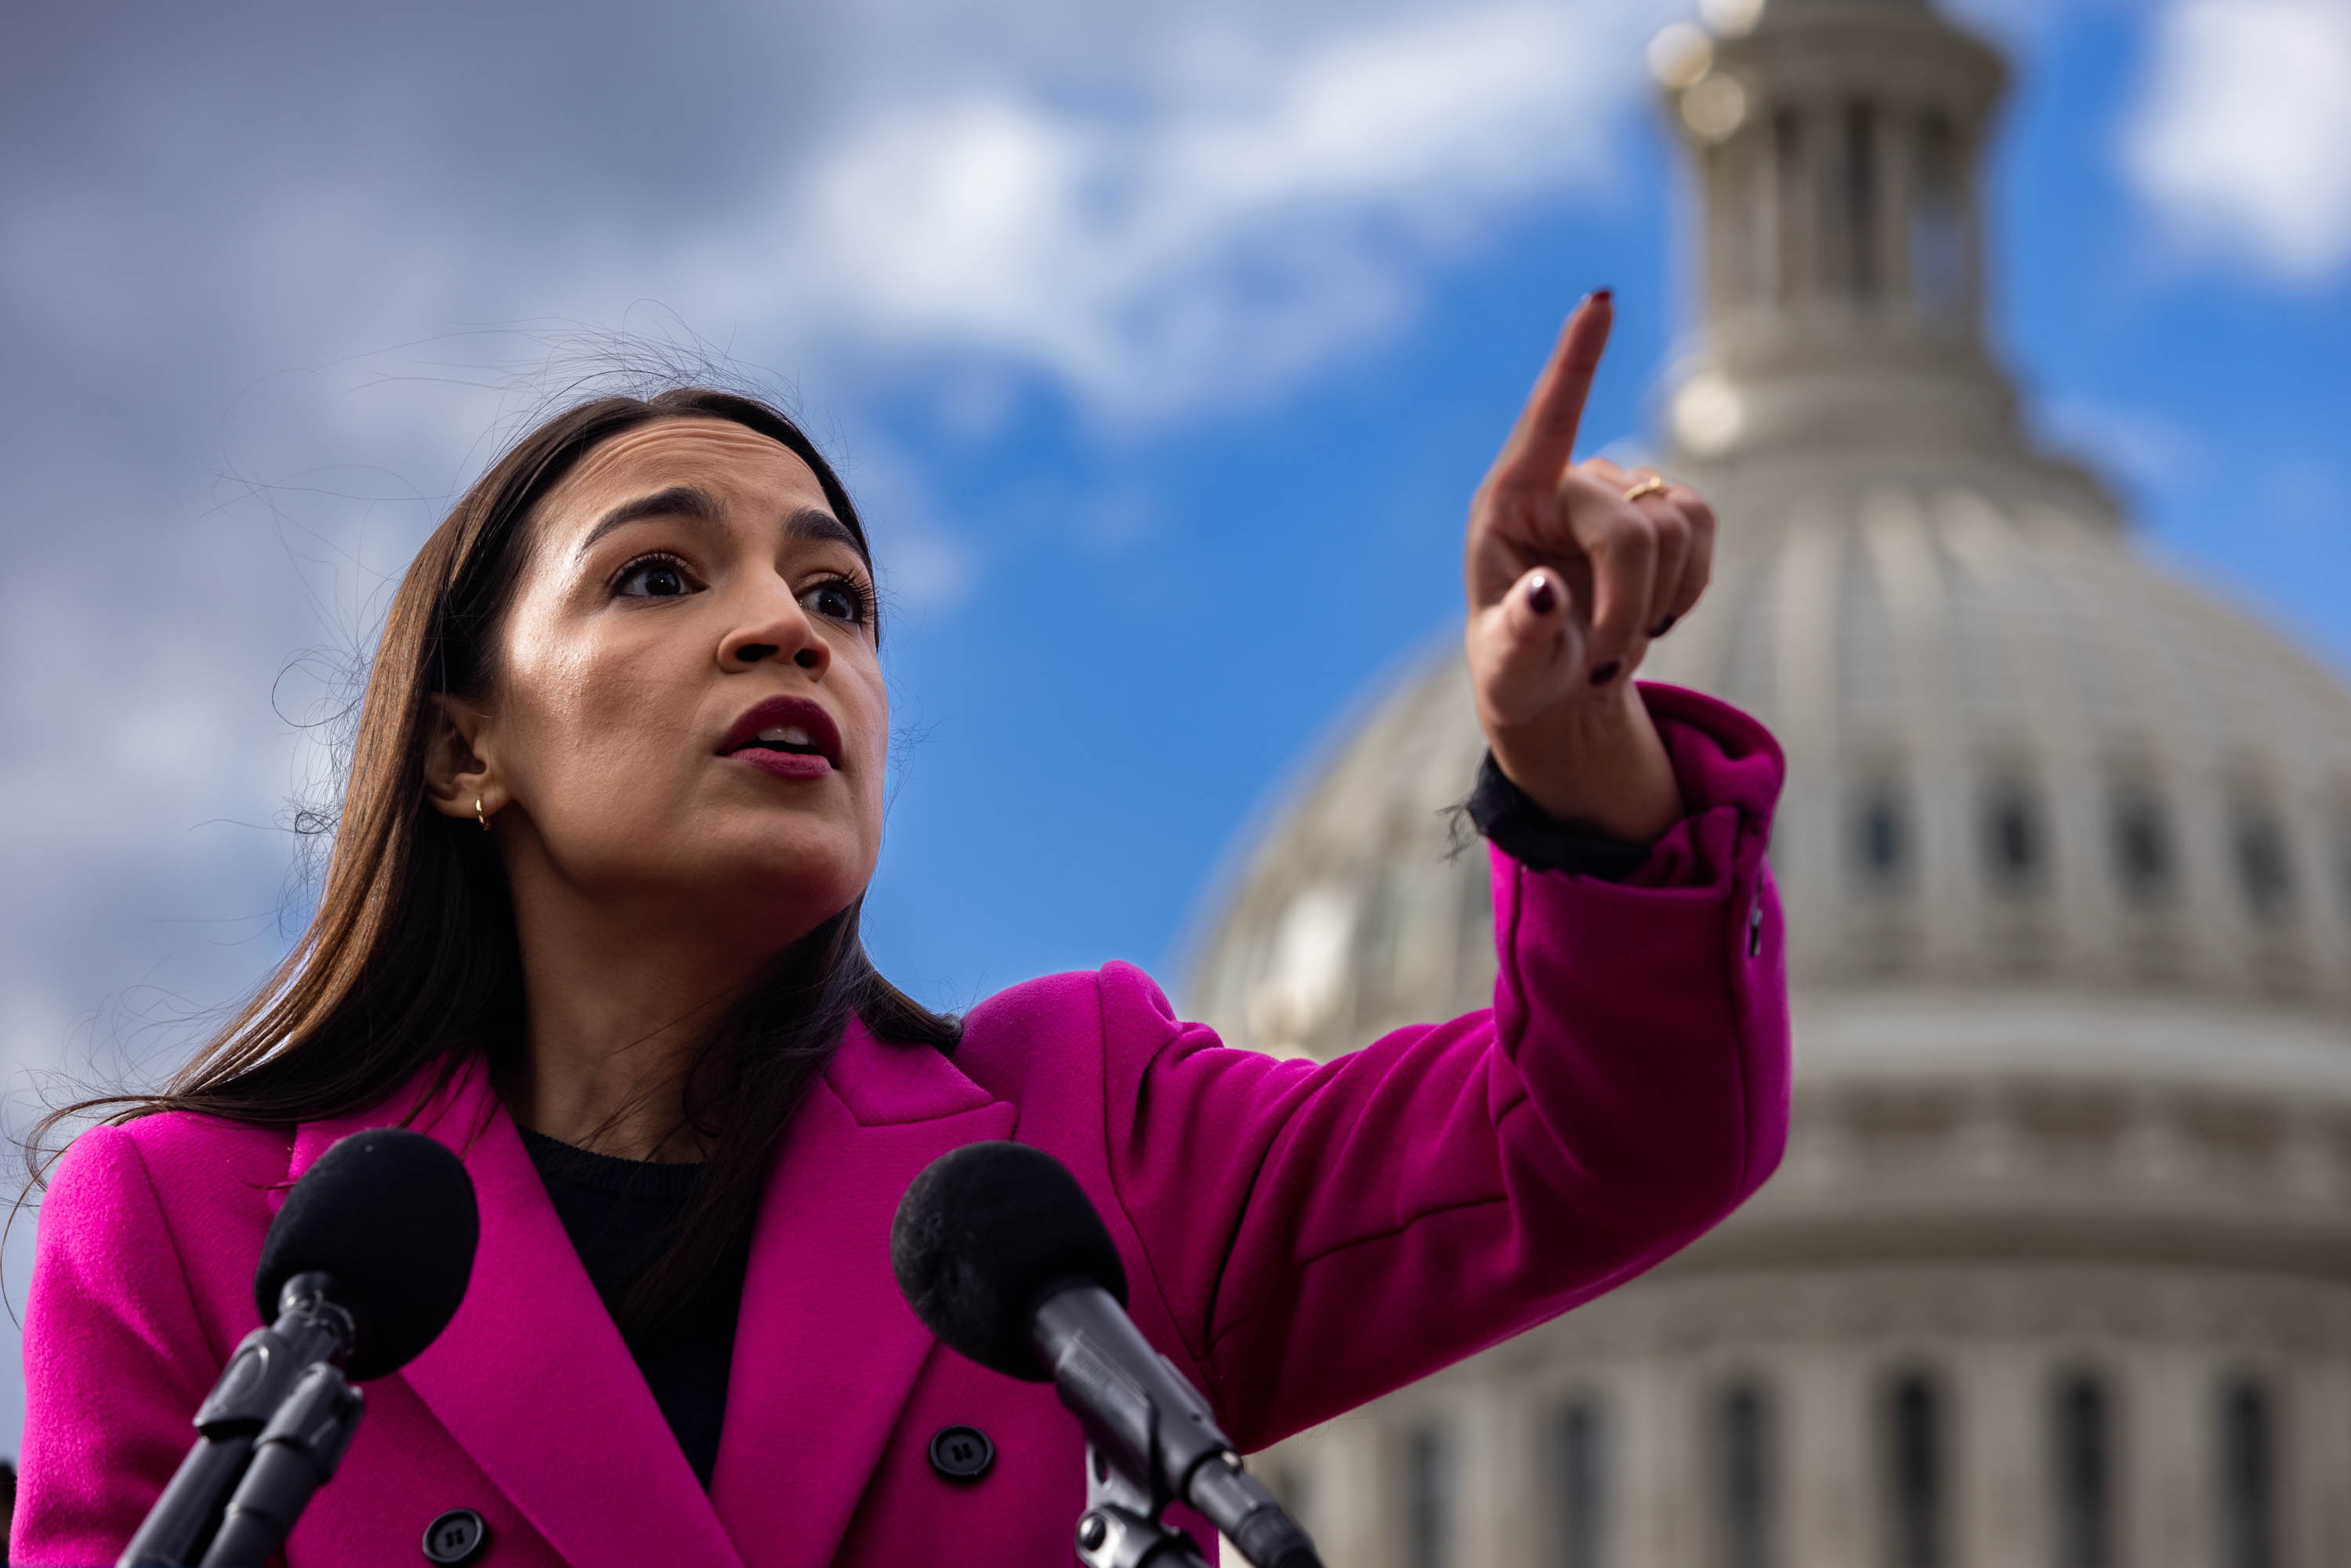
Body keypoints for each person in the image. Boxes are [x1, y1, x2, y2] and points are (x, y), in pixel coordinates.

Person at [12, 292, 1788, 1566]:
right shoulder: (199, 1233)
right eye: (661, 571)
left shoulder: (1081, 1136)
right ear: (469, 743)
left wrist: (1573, 768)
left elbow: (1610, 1141)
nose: (790, 629)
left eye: (839, 594)